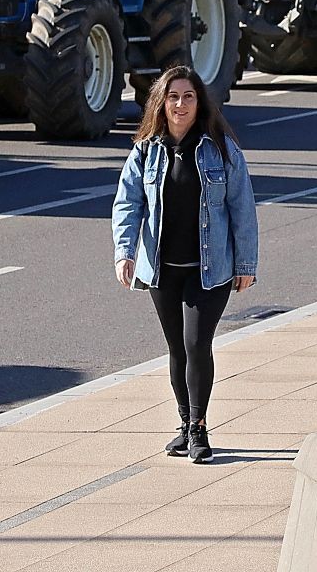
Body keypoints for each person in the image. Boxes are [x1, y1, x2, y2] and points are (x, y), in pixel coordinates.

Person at [112, 67, 259, 464]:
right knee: (176, 348)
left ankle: (199, 429)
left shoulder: (221, 148)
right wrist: (125, 251)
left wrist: (246, 262)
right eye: (173, 97)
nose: (180, 104)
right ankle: (182, 425)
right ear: (162, 102)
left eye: (188, 96)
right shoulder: (146, 150)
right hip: (164, 269)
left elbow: (242, 208)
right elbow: (128, 203)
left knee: (198, 344)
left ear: (200, 102)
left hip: (209, 269)